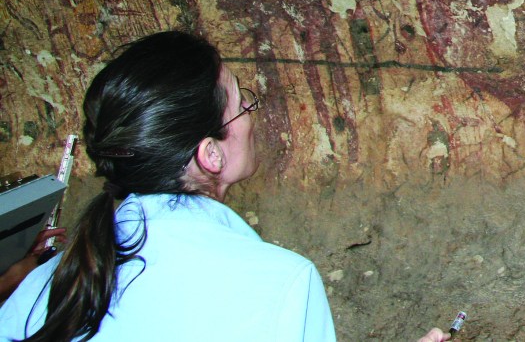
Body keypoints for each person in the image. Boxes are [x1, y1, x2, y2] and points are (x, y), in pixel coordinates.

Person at [0, 31, 448, 342]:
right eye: (241, 103)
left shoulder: (44, 287)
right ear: (210, 154)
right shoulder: (281, 281)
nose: (251, 113)